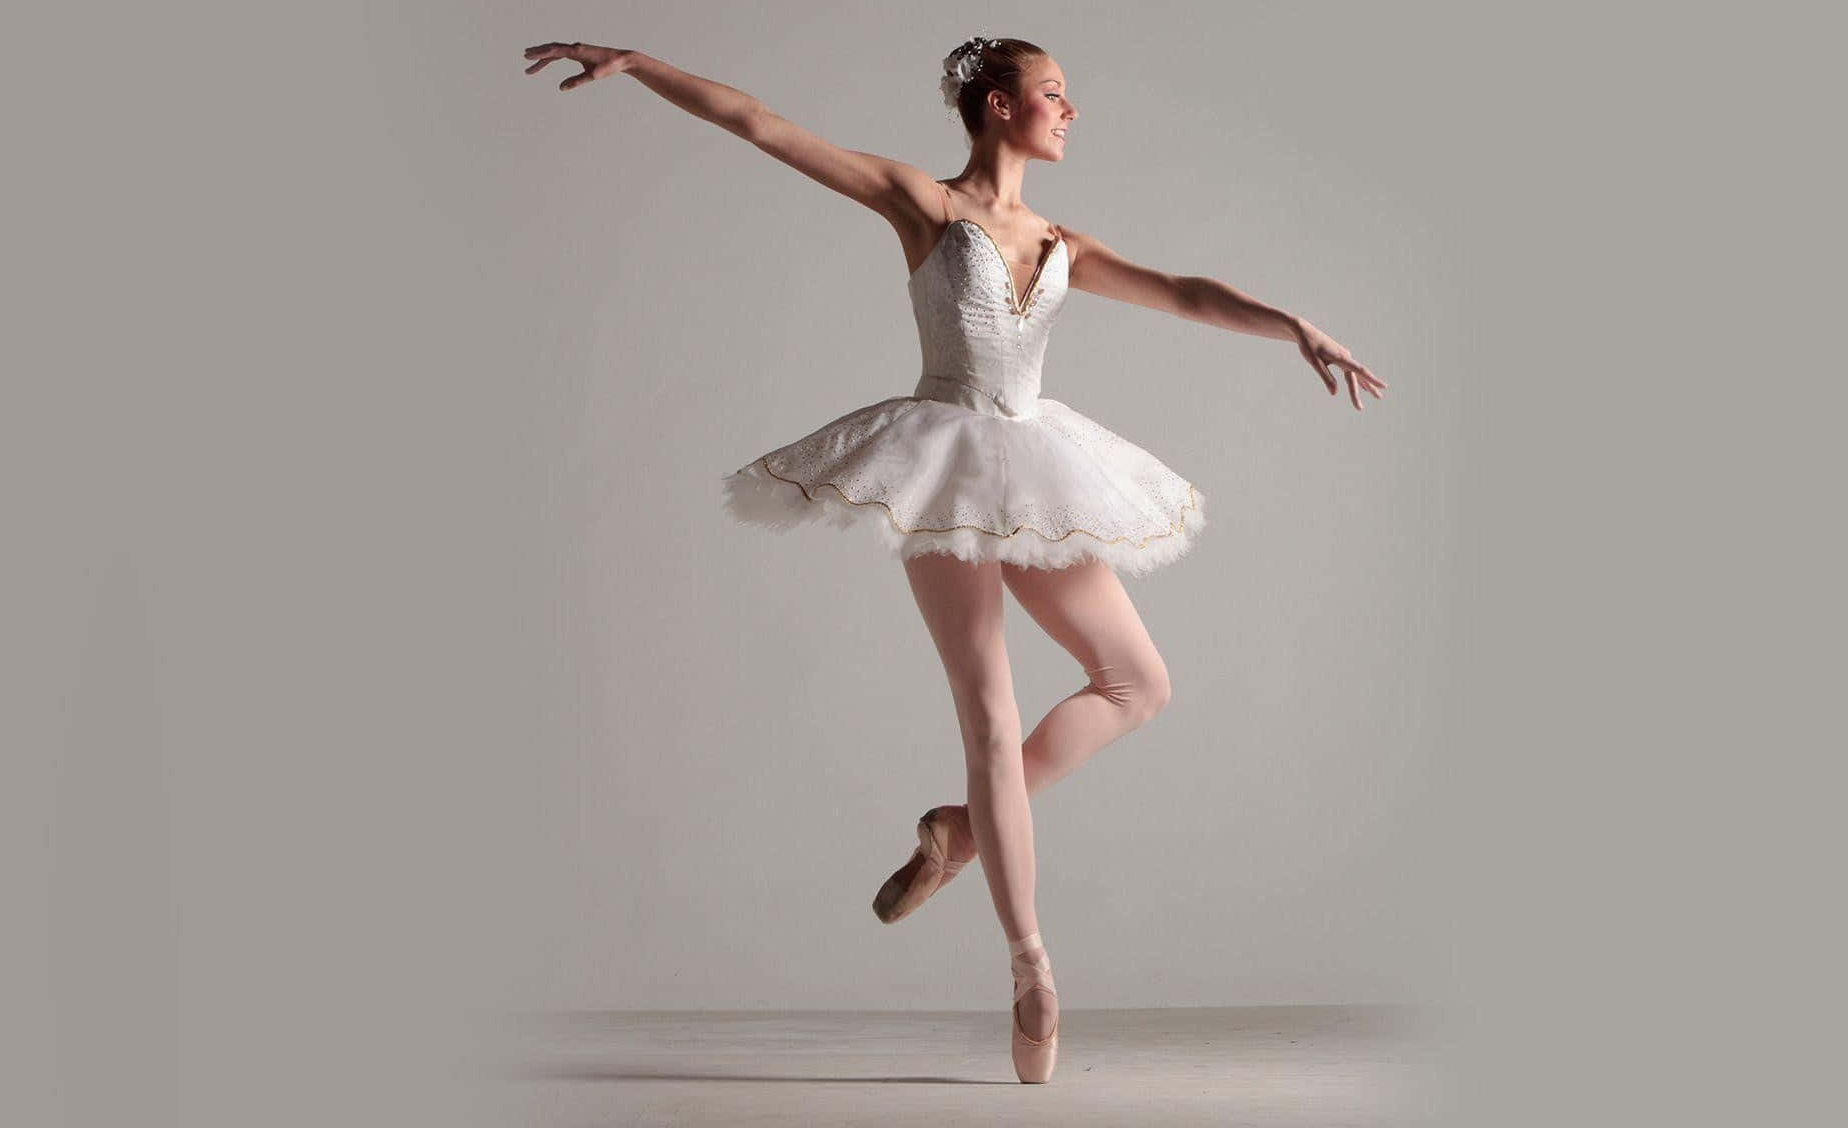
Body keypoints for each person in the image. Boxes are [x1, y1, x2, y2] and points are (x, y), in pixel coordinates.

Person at [524, 33, 1383, 1084]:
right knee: (988, 711)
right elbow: (763, 126)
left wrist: (1293, 324)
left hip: (1036, 466)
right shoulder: (922, 205)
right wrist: (642, 65)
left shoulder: (1062, 238)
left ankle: (959, 832)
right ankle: (1032, 970)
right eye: (1054, 94)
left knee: (1138, 681)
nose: (1071, 112)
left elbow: (1187, 292)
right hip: (940, 463)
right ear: (996, 104)